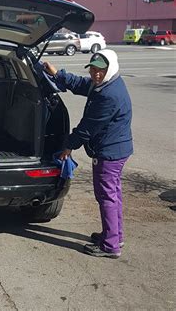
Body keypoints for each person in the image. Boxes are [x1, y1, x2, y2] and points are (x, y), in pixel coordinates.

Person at [43, 49, 133, 259]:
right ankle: (114, 235)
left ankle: (110, 246)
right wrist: (58, 74)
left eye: (100, 70)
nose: (95, 74)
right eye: (92, 69)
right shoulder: (107, 83)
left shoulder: (109, 95)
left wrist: (68, 146)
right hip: (116, 149)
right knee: (113, 194)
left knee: (106, 196)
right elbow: (82, 85)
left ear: (109, 68)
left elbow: (87, 128)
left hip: (109, 152)